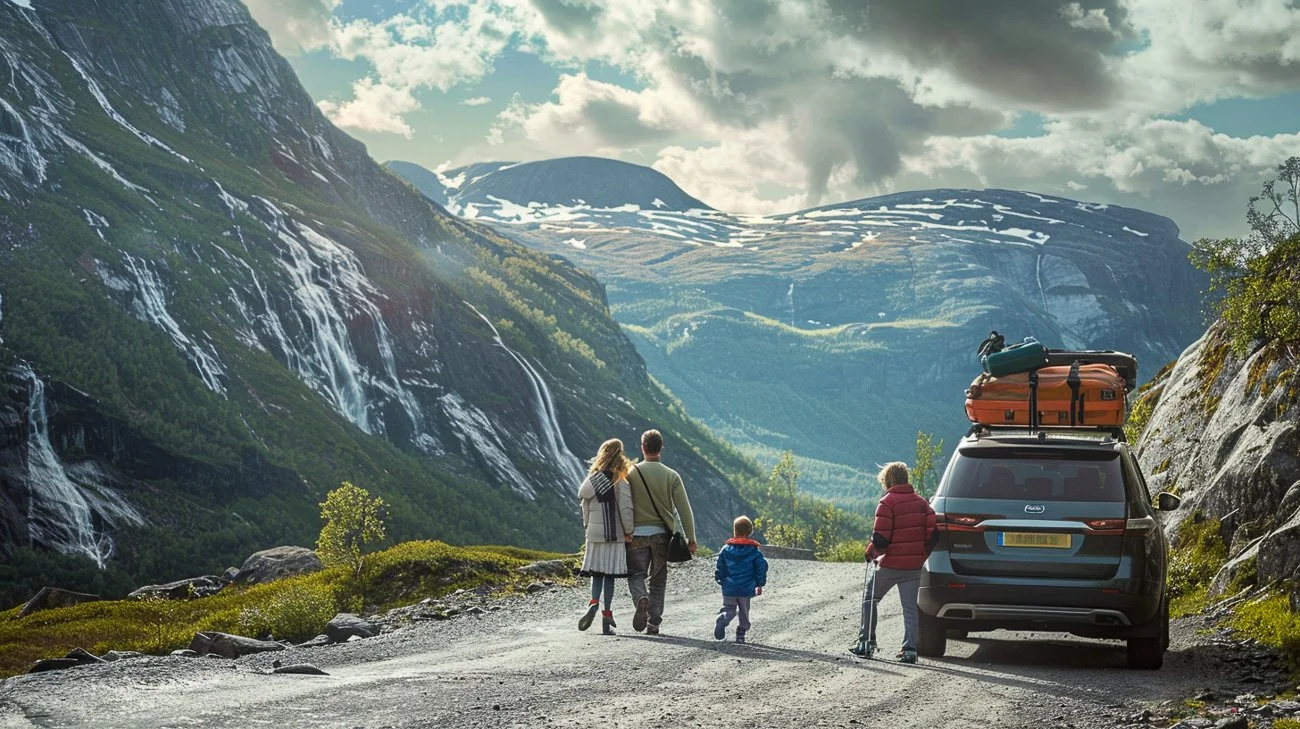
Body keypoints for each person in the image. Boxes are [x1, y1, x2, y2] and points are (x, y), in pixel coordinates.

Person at [851, 461, 937, 663]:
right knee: (909, 608)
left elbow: (881, 538)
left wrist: (871, 551)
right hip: (914, 566)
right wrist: (922, 555)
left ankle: (866, 643)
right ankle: (909, 650)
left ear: (887, 480)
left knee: (870, 598)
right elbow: (933, 535)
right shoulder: (922, 503)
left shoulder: (887, 502)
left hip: (890, 565)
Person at [626, 429, 697, 635]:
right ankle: (653, 622)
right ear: (661, 448)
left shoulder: (630, 474)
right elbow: (684, 509)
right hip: (662, 536)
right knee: (658, 579)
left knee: (636, 574)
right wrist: (691, 539)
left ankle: (640, 598)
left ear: (642, 447)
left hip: (636, 535)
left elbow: (623, 504)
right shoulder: (671, 475)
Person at [577, 438, 635, 636]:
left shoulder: (592, 478)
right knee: (609, 575)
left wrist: (587, 526)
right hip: (614, 534)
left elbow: (583, 500)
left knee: (596, 572)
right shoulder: (620, 479)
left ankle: (593, 602)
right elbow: (625, 509)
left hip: (594, 534)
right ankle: (606, 615)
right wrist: (629, 531)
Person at [714, 515, 768, 644]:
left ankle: (724, 618)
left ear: (735, 531)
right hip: (746, 588)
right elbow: (761, 567)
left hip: (729, 588)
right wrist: (760, 583)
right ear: (750, 531)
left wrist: (720, 579)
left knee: (729, 609)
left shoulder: (725, 550)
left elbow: (720, 566)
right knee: (744, 612)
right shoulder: (754, 552)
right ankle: (741, 633)